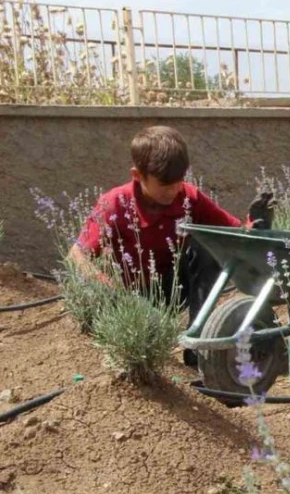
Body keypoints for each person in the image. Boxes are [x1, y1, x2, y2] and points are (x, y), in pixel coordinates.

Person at [69, 126, 264, 365]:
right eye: (165, 185)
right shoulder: (115, 205)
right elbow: (77, 254)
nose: (173, 191)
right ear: (137, 175)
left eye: (179, 182)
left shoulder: (189, 198)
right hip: (129, 299)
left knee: (207, 246)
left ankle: (198, 347)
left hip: (171, 291)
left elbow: (232, 232)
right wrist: (111, 291)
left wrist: (256, 223)